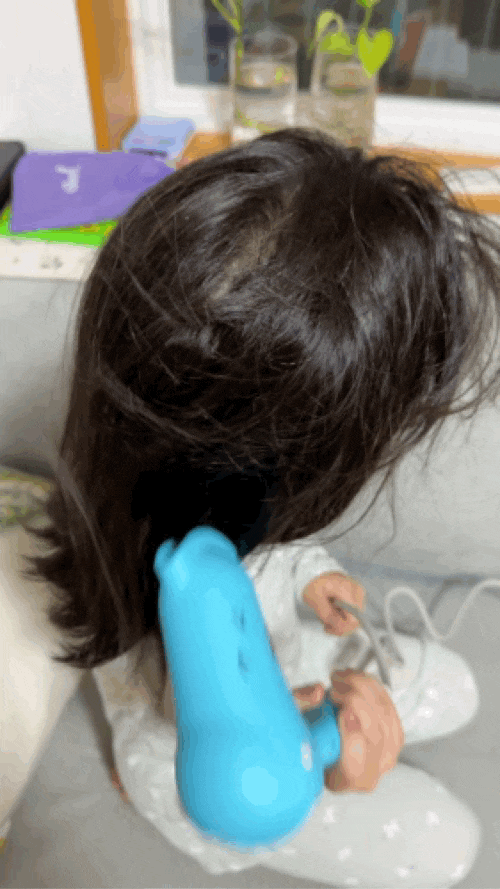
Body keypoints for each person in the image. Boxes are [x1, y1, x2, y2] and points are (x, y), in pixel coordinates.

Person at [3, 126, 500, 886]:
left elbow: (268, 550)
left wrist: (310, 575)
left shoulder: (214, 498)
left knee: (458, 687)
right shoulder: (165, 603)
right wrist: (317, 762)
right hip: (204, 763)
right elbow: (237, 785)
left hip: (285, 663)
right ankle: (146, 789)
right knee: (449, 845)